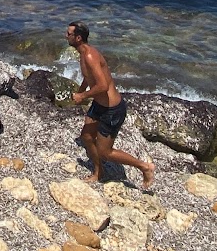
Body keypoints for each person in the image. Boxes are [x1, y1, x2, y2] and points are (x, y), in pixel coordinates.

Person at [66, 22, 154, 188]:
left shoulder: (90, 55)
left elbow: (103, 85)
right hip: (99, 105)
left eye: (69, 34)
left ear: (78, 38)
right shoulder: (83, 53)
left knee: (105, 152)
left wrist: (82, 95)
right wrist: (81, 91)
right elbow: (89, 75)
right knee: (86, 136)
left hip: (112, 110)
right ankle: (99, 173)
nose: (66, 36)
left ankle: (145, 167)